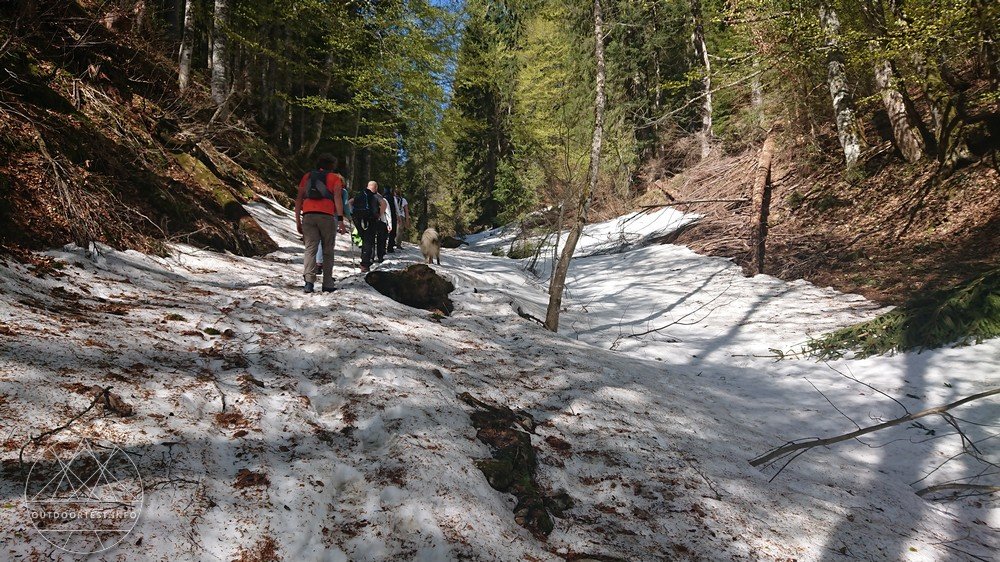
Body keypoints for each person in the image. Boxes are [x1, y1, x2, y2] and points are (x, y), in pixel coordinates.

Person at [295, 154, 347, 293]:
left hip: (308, 215)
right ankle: (327, 283)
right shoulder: (335, 178)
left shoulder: (307, 176)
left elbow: (299, 198)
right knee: (328, 250)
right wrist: (341, 220)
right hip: (326, 216)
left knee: (310, 249)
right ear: (332, 166)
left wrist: (297, 220)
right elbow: (337, 199)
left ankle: (309, 283)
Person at [353, 180, 387, 273]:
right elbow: (384, 204)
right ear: (375, 188)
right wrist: (380, 214)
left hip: (358, 219)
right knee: (369, 241)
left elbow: (349, 202)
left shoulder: (360, 194)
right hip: (370, 219)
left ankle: (364, 260)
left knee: (364, 240)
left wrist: (351, 214)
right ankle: (365, 264)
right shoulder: (375, 196)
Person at [374, 185, 392, 262]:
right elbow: (388, 212)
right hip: (382, 221)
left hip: (371, 220)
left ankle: (370, 257)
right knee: (381, 240)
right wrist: (389, 224)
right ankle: (380, 256)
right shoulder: (383, 200)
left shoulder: (369, 198)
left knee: (371, 239)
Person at [385, 185, 399, 254]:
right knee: (392, 233)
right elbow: (396, 208)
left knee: (384, 233)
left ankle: (382, 247)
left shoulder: (382, 198)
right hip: (392, 216)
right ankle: (390, 248)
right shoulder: (393, 198)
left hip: (384, 217)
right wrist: (399, 216)